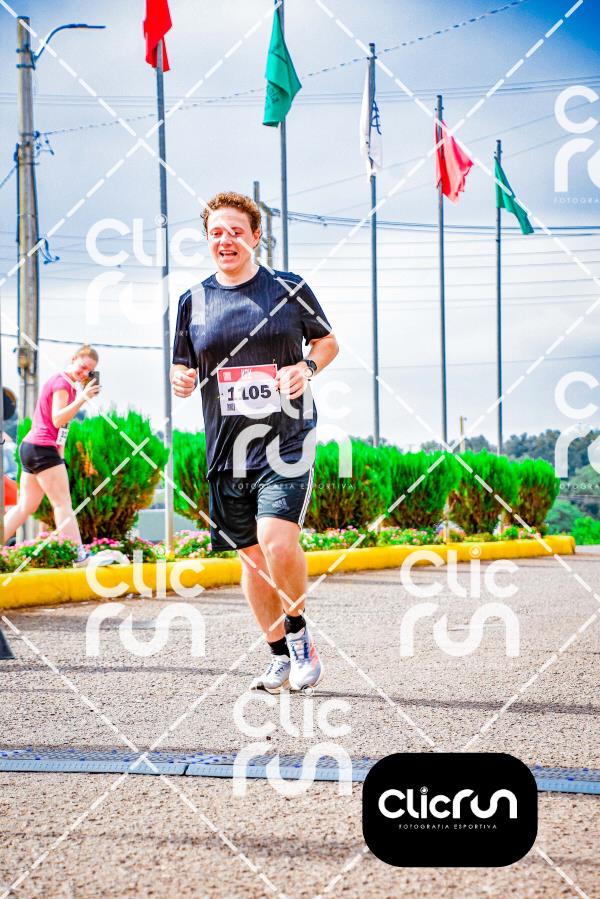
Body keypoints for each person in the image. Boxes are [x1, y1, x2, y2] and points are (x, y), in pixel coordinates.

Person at [171, 191, 339, 693]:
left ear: (255, 236)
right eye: (216, 233)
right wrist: (180, 379)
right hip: (227, 449)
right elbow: (183, 365)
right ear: (207, 239)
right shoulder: (192, 301)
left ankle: (299, 635)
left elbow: (327, 342)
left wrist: (306, 368)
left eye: (236, 231)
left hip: (286, 440)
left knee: (277, 540)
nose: (226, 240)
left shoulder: (288, 288)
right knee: (251, 558)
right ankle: (278, 657)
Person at [3, 345, 101, 566]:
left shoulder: (68, 386)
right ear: (74, 359)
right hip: (42, 448)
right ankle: (78, 556)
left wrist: (60, 456)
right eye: (83, 367)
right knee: (62, 504)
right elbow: (58, 419)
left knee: (25, 506)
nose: (84, 373)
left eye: (89, 371)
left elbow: (62, 428)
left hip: (32, 448)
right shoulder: (62, 383)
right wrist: (83, 398)